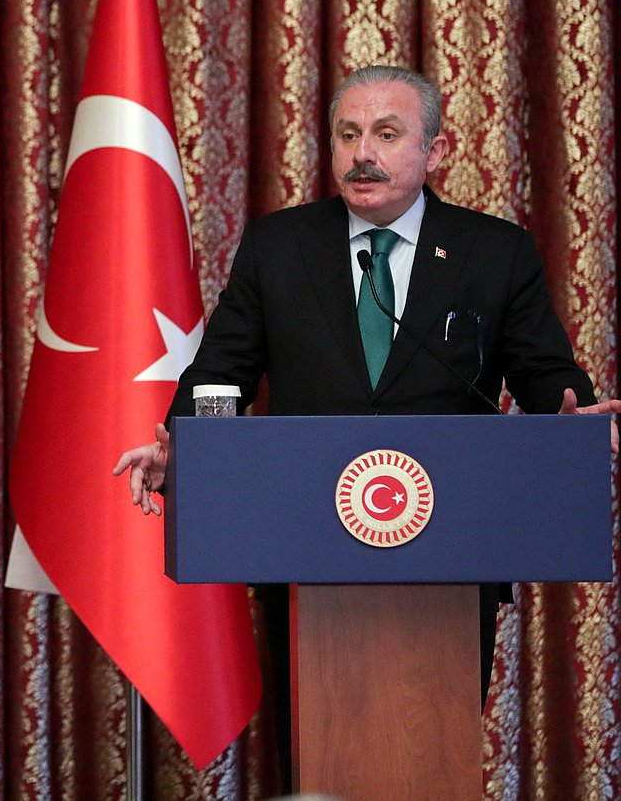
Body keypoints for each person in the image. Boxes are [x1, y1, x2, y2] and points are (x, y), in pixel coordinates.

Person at [112, 64, 621, 786]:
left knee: (431, 761)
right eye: (347, 135)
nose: (362, 154)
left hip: (454, 547)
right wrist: (186, 452)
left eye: (386, 134)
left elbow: (546, 374)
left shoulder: (493, 251)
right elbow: (220, 371)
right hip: (303, 548)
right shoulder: (279, 246)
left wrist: (569, 418)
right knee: (318, 764)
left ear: (435, 151)